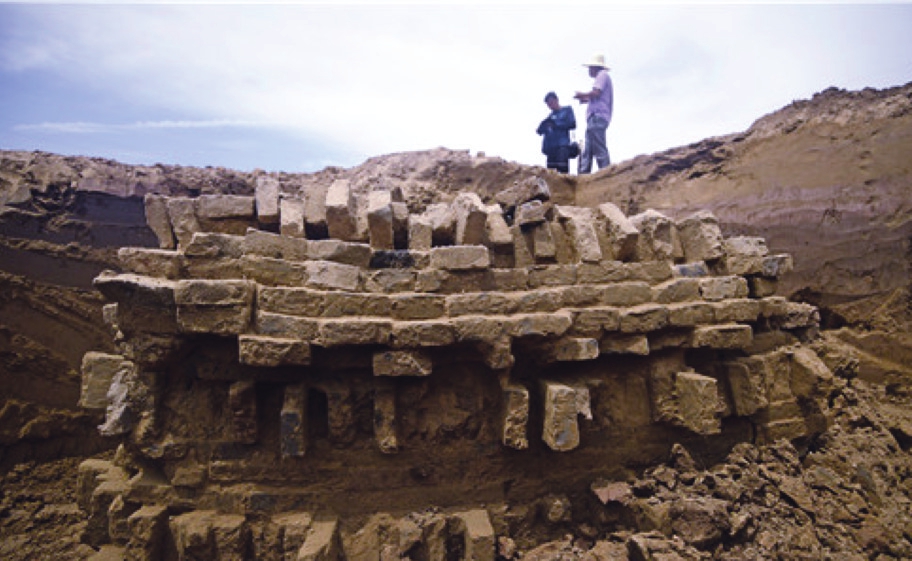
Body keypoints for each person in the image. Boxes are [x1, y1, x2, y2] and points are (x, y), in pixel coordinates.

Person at [574, 54, 613, 173]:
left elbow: (596, 92)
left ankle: (606, 172)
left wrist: (583, 95)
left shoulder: (602, 75)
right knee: (588, 149)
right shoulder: (603, 77)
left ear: (595, 67)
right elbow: (598, 97)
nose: (589, 71)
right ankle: (584, 175)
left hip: (598, 117)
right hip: (595, 117)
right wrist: (585, 100)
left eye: (590, 68)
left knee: (598, 147)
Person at [535, 91, 576, 173]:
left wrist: (556, 125)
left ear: (556, 100)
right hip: (551, 148)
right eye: (548, 104)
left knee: (563, 171)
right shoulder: (549, 117)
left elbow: (572, 124)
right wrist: (543, 128)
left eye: (551, 102)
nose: (550, 106)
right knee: (550, 173)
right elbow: (540, 131)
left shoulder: (567, 110)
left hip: (562, 145)